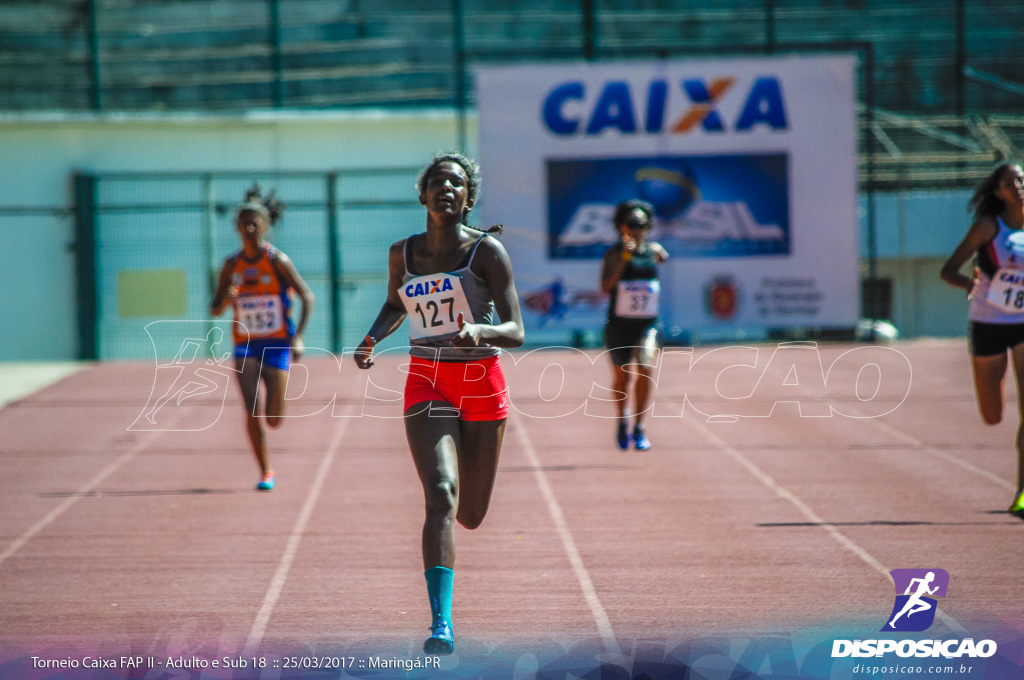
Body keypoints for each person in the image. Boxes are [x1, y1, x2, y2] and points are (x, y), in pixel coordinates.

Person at [353, 152, 524, 654]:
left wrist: (480, 330)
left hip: (481, 381)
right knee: (441, 493)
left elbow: (516, 329)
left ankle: (445, 596)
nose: (446, 189)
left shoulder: (487, 253)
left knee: (470, 513)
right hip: (427, 380)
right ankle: (440, 623)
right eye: (437, 183)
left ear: (467, 199)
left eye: (456, 184)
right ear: (423, 195)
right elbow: (395, 302)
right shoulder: (402, 254)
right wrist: (373, 336)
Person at [210, 184, 314, 491]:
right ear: (237, 227)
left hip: (278, 343)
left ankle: (272, 432)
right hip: (245, 344)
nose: (250, 228)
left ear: (266, 227)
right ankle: (266, 470)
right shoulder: (231, 266)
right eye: (244, 223)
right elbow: (214, 309)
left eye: (256, 223)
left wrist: (299, 338)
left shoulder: (277, 260)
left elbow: (307, 297)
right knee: (251, 407)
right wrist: (227, 300)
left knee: (273, 418)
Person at [940, 161, 1024, 516]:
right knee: (992, 415)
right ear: (998, 192)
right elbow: (948, 270)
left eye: (1021, 179)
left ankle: (1022, 492)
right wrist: (969, 283)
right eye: (1010, 182)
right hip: (988, 321)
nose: (1018, 186)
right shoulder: (989, 228)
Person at [600, 199, 669, 451]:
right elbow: (606, 287)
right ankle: (622, 419)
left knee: (645, 367)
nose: (638, 229)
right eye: (632, 224)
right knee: (622, 380)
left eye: (642, 224)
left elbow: (662, 257)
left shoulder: (652, 250)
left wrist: (656, 251)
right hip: (619, 326)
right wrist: (625, 257)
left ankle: (640, 427)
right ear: (621, 227)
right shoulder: (614, 254)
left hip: (647, 325)